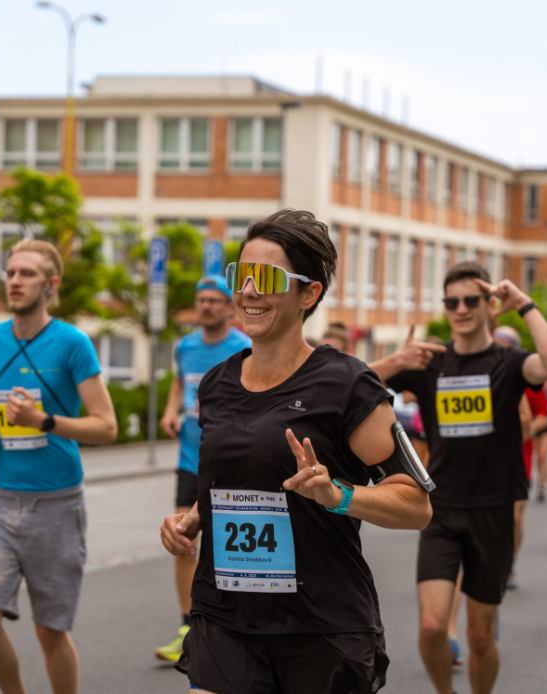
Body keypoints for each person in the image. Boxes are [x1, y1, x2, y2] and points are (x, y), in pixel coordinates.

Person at [159, 209, 432, 694]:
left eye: (266, 277)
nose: (247, 291)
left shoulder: (348, 385)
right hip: (226, 616)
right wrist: (194, 518)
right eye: (240, 276)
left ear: (309, 293)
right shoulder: (218, 384)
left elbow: (416, 505)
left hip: (318, 625)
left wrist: (339, 496)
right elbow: (233, 483)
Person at [371, 262, 547, 694]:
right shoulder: (429, 361)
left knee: (480, 636)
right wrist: (397, 360)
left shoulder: (508, 361)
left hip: (494, 508)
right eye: (452, 301)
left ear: (488, 305)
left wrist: (525, 305)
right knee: (430, 628)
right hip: (439, 508)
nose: (460, 308)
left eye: (470, 300)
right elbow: (348, 381)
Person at [0, 239, 118, 694]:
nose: (15, 280)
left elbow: (106, 427)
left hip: (58, 505)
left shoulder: (73, 343)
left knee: (50, 632)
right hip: (4, 505)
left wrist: (44, 421)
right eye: (11, 272)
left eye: (27, 274)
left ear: (50, 285)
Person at [154, 275, 251, 663]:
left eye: (214, 300)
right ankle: (187, 624)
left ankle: (231, 625)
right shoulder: (185, 346)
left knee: (226, 543)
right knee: (183, 540)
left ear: (230, 308)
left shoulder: (244, 347)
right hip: (189, 459)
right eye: (201, 300)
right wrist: (169, 411)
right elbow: (180, 384)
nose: (206, 306)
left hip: (230, 463)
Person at [491, 326, 547, 591]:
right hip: (485, 462)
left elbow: (543, 416)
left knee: (513, 517)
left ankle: (509, 563)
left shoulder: (526, 378)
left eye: (505, 345)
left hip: (517, 458)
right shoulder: (480, 376)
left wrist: (526, 430)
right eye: (496, 344)